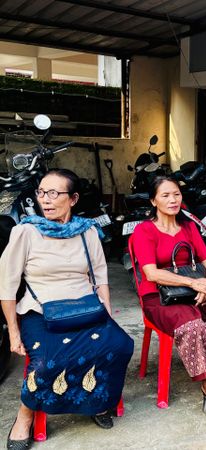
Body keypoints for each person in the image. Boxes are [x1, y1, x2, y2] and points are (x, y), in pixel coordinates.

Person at [0, 169, 134, 449]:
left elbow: (100, 277)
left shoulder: (87, 232)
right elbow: (7, 286)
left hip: (86, 309)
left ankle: (96, 401)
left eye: (53, 193)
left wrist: (107, 315)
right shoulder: (26, 232)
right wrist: (13, 332)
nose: (45, 200)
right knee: (48, 362)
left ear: (73, 199)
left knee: (119, 344)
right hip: (41, 313)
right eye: (41, 193)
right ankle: (25, 414)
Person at [132, 176, 206, 417]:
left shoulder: (189, 227)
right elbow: (151, 273)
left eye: (176, 194)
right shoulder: (144, 230)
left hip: (197, 290)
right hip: (159, 297)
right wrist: (193, 282)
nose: (173, 200)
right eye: (165, 195)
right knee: (194, 326)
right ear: (153, 201)